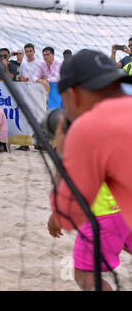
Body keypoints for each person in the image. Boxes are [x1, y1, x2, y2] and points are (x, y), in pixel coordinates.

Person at [49, 49, 132, 289]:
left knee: (85, 276)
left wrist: (55, 218)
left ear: (71, 96)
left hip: (106, 214)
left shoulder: (83, 132)